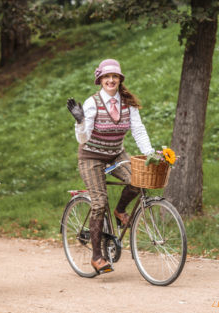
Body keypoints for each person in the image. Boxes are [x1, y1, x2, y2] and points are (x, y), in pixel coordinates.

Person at [66, 59, 154, 273]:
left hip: (115, 154)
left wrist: (150, 154)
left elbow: (138, 129)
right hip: (91, 156)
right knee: (99, 202)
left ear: (120, 79)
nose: (111, 80)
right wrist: (80, 122)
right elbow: (83, 138)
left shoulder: (127, 103)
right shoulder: (92, 103)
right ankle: (97, 257)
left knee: (139, 180)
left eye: (114, 76)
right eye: (107, 77)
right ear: (100, 80)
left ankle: (119, 210)